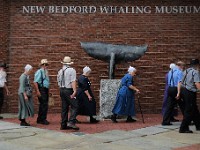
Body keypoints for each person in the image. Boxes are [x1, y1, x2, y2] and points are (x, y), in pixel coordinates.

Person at [178, 59, 200, 133]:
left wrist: (179, 92)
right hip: (190, 92)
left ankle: (198, 125)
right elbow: (197, 83)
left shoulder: (186, 71)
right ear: (197, 65)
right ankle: (183, 128)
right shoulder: (195, 72)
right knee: (189, 110)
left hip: (184, 91)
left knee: (194, 109)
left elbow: (180, 82)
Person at [57, 56, 79, 130]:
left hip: (62, 90)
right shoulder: (71, 70)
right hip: (68, 90)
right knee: (75, 105)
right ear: (70, 63)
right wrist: (75, 90)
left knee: (64, 107)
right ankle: (71, 122)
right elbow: (73, 81)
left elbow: (58, 81)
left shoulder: (60, 71)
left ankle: (63, 125)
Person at [162, 61, 185, 125]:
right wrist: (178, 93)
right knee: (183, 105)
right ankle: (187, 119)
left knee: (169, 106)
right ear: (180, 66)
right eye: (183, 66)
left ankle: (165, 121)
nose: (183, 67)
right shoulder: (179, 72)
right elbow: (179, 83)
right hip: (175, 89)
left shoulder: (170, 72)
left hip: (170, 89)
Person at [34, 59, 50, 125]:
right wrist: (38, 91)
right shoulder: (39, 72)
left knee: (43, 104)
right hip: (41, 89)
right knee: (44, 104)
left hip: (45, 89)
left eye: (46, 65)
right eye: (45, 64)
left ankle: (40, 119)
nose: (46, 66)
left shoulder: (45, 72)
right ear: (42, 65)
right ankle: (43, 119)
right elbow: (35, 82)